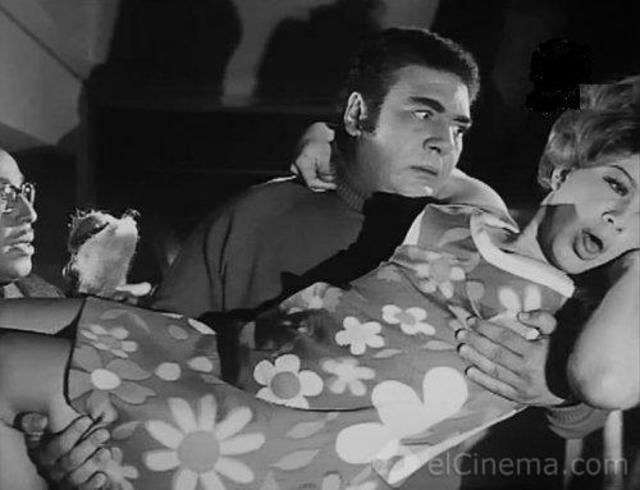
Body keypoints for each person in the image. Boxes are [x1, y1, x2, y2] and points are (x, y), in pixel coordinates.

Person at [23, 28, 614, 489]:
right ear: (357, 114)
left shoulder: (475, 240)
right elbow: (141, 355)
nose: (444, 141)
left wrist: (555, 384)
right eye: (422, 113)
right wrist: (62, 453)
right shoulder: (254, 217)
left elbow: (587, 404)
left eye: (458, 126)